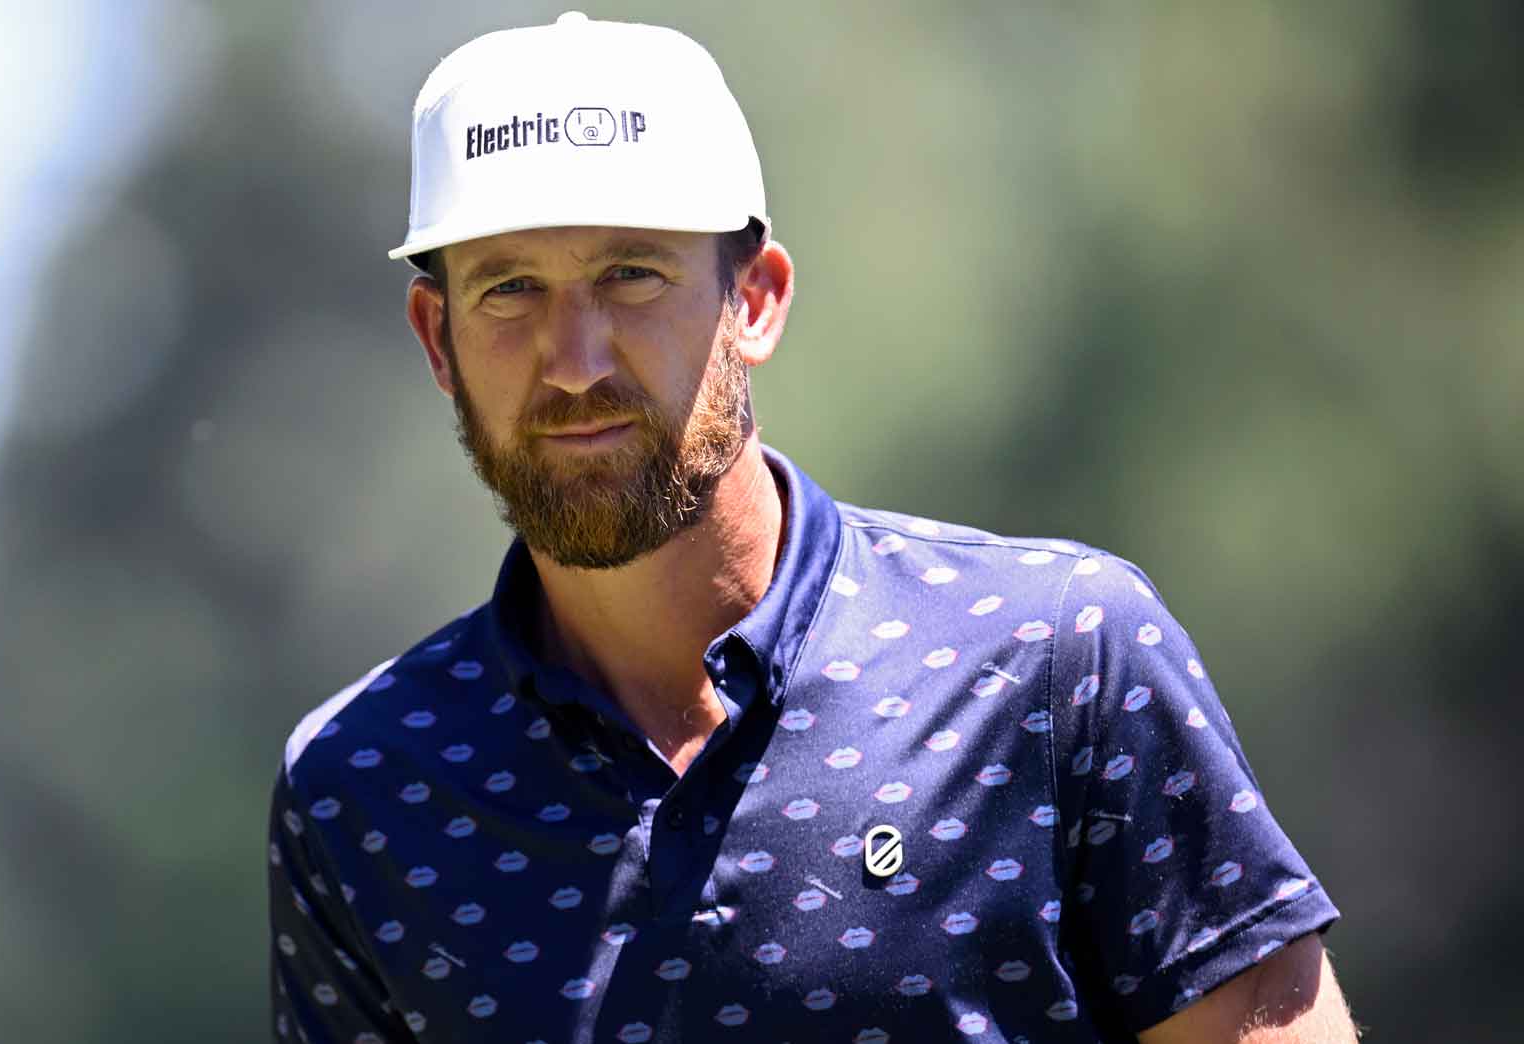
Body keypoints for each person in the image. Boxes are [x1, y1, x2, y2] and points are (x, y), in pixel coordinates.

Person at [269, 12, 1354, 1043]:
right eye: (508, 290)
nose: (577, 360)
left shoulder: (1056, 659)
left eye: (630, 274)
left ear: (754, 300)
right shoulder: (361, 782)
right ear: (437, 337)